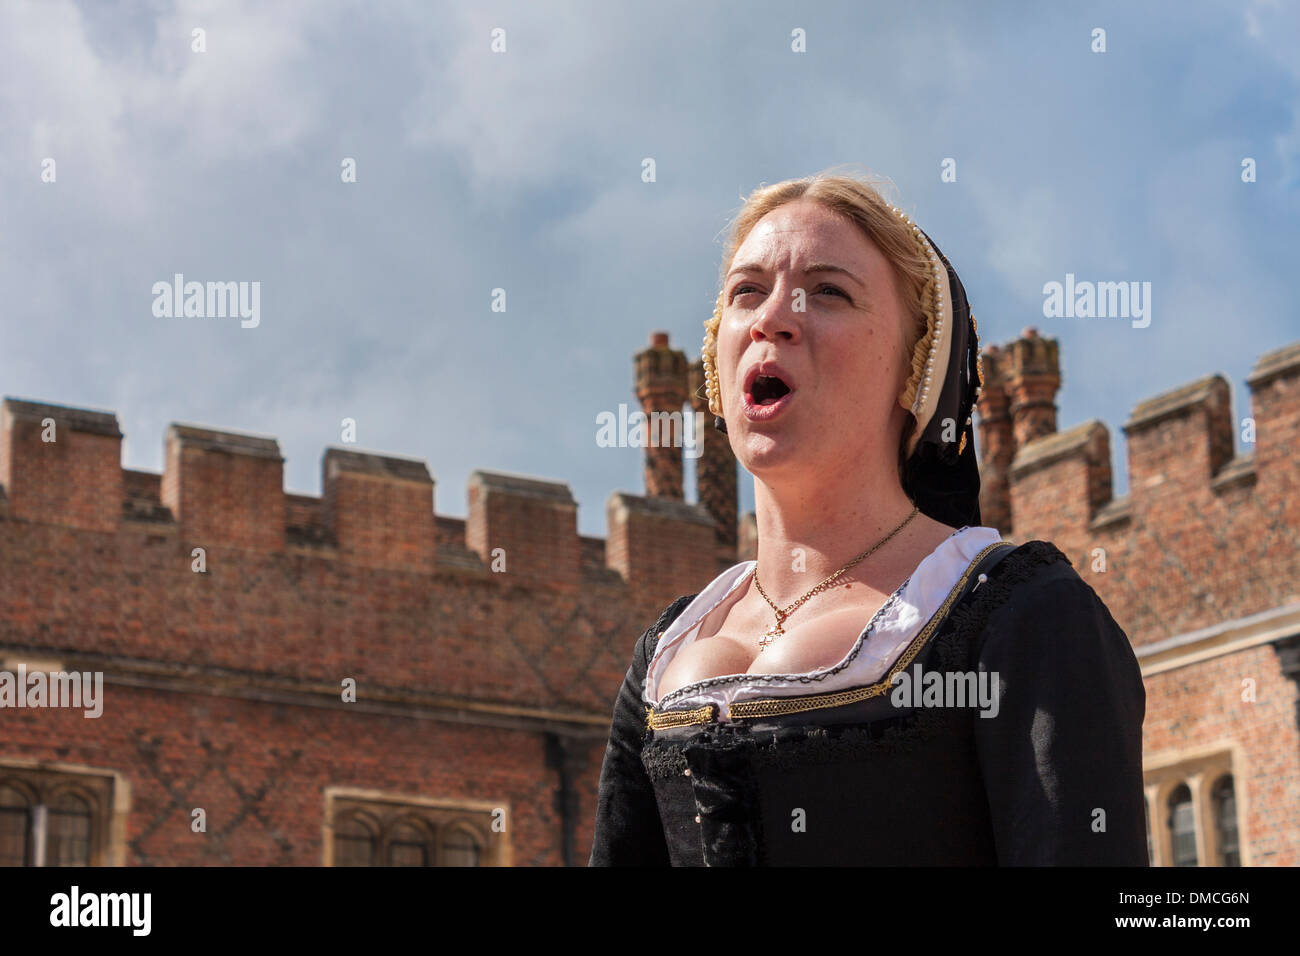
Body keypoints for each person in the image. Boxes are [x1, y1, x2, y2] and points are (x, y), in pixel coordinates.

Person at [588, 168, 1148, 866]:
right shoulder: (668, 649)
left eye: (828, 292)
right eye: (746, 292)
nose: (772, 318)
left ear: (916, 368)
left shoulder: (1019, 615)